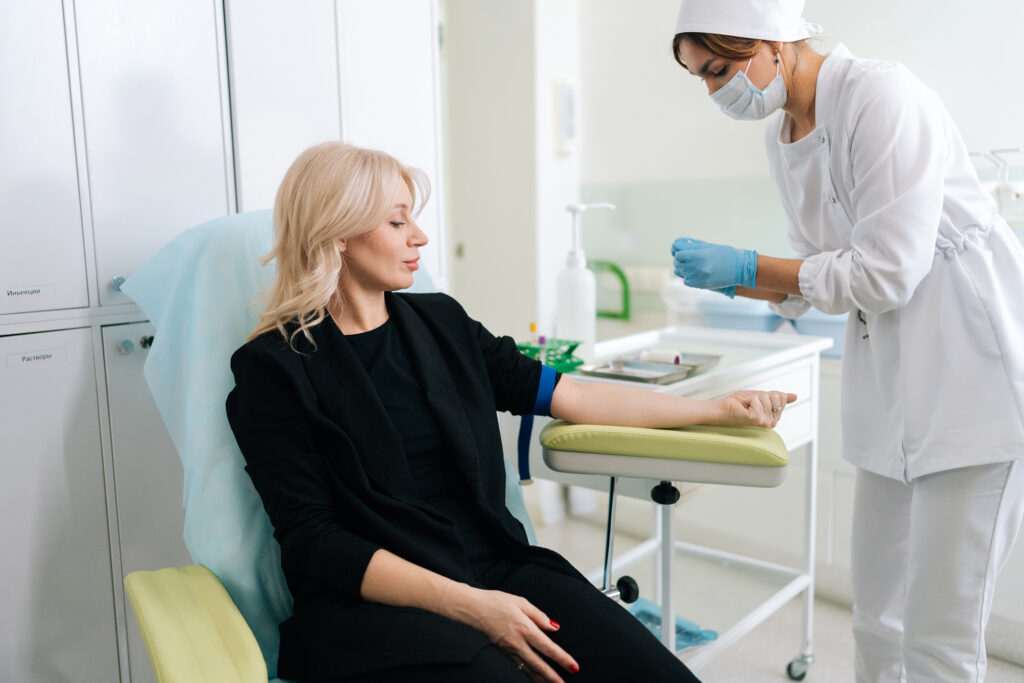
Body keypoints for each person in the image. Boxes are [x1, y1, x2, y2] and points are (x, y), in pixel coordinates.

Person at [225, 140, 796, 682]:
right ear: (340, 233)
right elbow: (315, 542)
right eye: (398, 221)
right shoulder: (273, 369)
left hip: (496, 566)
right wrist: (472, 607)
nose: (420, 237)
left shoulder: (441, 324)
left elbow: (574, 395)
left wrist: (712, 409)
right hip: (374, 607)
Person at [668, 1, 1024, 681]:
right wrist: (739, 283)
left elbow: (886, 269)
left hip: (972, 379)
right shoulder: (782, 138)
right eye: (701, 78)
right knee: (877, 622)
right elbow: (814, 272)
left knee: (938, 638)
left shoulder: (880, 95)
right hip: (891, 390)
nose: (717, 91)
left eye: (721, 68)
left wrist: (750, 267)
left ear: (774, 40)